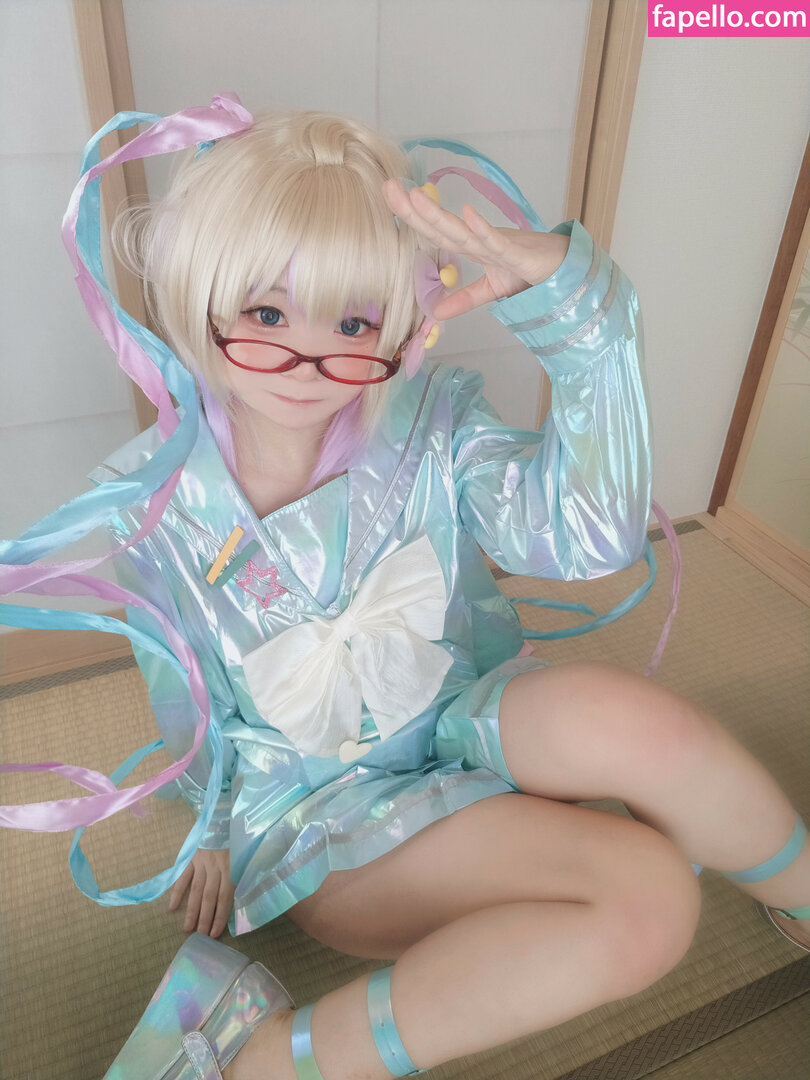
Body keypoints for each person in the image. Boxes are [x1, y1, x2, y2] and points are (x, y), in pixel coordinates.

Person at [9, 95, 809, 1080]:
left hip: (468, 716)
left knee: (652, 728)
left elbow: (590, 533)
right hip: (321, 814)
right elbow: (186, 698)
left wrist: (580, 315)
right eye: (266, 312)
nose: (308, 359)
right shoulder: (150, 503)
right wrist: (209, 830)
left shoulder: (437, 423)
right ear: (199, 294)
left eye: (353, 320)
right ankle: (263, 1060)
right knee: (653, 902)